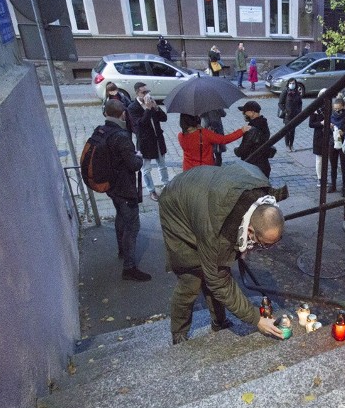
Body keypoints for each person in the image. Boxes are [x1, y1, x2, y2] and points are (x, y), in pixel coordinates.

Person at [159, 162, 286, 344]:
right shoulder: (217, 236)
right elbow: (218, 280)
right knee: (192, 278)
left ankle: (219, 322)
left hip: (204, 193)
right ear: (250, 231)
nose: (265, 249)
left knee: (214, 267)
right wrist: (255, 319)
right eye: (264, 244)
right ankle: (179, 334)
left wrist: (244, 247)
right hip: (176, 204)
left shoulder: (262, 196)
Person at [102, 100, 150, 282]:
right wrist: (138, 156)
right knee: (132, 226)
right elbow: (135, 165)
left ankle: (122, 250)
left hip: (112, 187)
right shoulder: (121, 136)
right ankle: (129, 267)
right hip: (124, 188)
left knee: (120, 217)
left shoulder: (103, 131)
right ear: (122, 115)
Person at [127, 82, 169, 201]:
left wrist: (156, 108)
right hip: (145, 142)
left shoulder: (151, 102)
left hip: (157, 139)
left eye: (147, 91)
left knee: (162, 165)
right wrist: (148, 109)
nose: (146, 94)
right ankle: (151, 190)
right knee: (146, 169)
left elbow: (164, 118)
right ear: (137, 93)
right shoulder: (132, 107)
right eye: (143, 92)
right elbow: (140, 124)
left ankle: (166, 185)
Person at [178, 113, 250, 170]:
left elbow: (194, 147)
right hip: (205, 171)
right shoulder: (204, 133)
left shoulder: (180, 136)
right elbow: (224, 140)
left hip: (187, 170)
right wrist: (241, 131)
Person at [233, 100, 275, 178]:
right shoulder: (263, 124)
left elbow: (243, 149)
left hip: (253, 167)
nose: (244, 114)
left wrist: (236, 151)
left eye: (245, 112)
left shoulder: (252, 129)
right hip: (263, 165)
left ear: (252, 112)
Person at [309, 89, 332, 187]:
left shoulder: (331, 106)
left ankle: (326, 177)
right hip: (319, 135)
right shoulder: (315, 108)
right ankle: (320, 178)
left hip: (329, 134)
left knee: (328, 158)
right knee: (319, 158)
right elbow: (311, 124)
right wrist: (320, 123)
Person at [328, 96, 345, 194]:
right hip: (333, 142)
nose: (337, 111)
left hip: (344, 143)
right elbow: (326, 131)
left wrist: (344, 132)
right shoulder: (331, 115)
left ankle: (344, 186)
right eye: (335, 109)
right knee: (333, 165)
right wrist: (330, 127)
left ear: (343, 107)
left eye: (339, 109)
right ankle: (333, 185)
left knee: (343, 165)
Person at [278, 78, 303, 152]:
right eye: (291, 83)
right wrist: (285, 111)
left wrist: (299, 111)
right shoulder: (285, 91)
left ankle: (291, 145)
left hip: (295, 114)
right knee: (287, 130)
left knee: (293, 130)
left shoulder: (297, 92)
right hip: (287, 115)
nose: (292, 85)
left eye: (293, 83)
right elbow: (280, 103)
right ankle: (287, 145)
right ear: (288, 84)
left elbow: (300, 103)